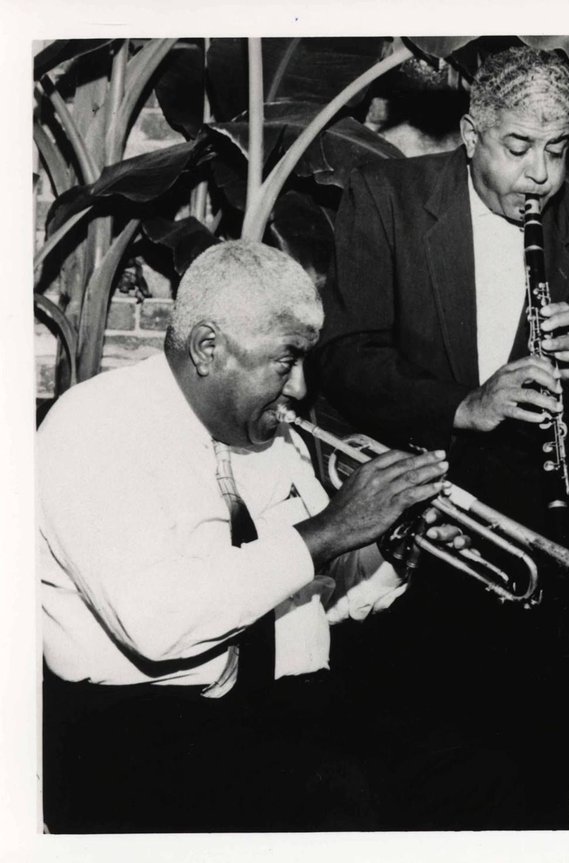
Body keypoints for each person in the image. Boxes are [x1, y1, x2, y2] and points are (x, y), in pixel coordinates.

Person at [39, 240, 523, 832]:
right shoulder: (94, 425)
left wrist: (394, 547)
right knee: (341, 798)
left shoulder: (274, 442)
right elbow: (155, 625)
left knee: (478, 772)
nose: (298, 389)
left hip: (278, 708)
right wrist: (328, 529)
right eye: (285, 361)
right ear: (208, 348)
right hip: (137, 727)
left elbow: (321, 593)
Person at [313, 45, 569, 828]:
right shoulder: (386, 198)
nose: (538, 175)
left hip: (543, 565)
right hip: (412, 549)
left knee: (529, 793)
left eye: (556, 151)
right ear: (471, 133)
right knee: (401, 793)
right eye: (517, 147)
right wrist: (464, 406)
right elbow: (343, 359)